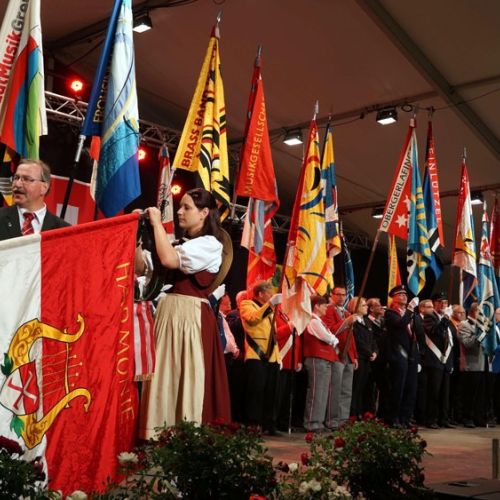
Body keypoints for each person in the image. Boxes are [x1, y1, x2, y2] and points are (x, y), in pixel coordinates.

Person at [139, 188, 231, 438]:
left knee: (188, 375)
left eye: (187, 207)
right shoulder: (177, 244)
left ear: (204, 213)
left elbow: (170, 260)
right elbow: (143, 267)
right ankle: (157, 434)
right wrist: (138, 233)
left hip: (190, 318)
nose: (180, 212)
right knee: (163, 375)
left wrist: (157, 224)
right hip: (168, 314)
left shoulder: (210, 245)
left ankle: (187, 435)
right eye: (180, 206)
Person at [240, 280, 282, 435]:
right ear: (260, 293)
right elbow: (253, 319)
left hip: (273, 356)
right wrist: (270, 304)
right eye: (269, 293)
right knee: (256, 392)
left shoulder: (270, 310)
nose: (271, 296)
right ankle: (253, 424)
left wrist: (278, 357)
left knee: (272, 393)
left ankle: (269, 424)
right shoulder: (247, 304)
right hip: (256, 354)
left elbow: (273, 335)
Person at [0, 159, 69, 240]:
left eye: (26, 179)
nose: (18, 184)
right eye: (16, 178)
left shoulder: (63, 230)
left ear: (44, 187)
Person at [323, 286, 359, 429]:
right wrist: (346, 322)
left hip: (348, 355)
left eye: (344, 295)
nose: (341, 297)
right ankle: (332, 420)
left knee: (346, 390)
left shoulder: (347, 312)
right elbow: (330, 330)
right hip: (337, 354)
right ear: (332, 295)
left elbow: (351, 338)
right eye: (338, 294)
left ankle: (343, 419)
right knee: (335, 389)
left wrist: (354, 356)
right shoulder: (328, 310)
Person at [302, 295, 339, 432]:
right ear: (316, 306)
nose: (326, 308)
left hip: (324, 359)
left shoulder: (319, 321)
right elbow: (328, 338)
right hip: (316, 359)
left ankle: (318, 422)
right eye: (324, 305)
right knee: (316, 392)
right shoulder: (313, 321)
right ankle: (311, 423)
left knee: (323, 392)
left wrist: (334, 339)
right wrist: (334, 340)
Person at [384, 285, 419, 427]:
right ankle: (393, 418)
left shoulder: (410, 314)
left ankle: (405, 418)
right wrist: (410, 310)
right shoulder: (390, 313)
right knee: (398, 387)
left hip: (411, 353)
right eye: (400, 294)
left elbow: (418, 332)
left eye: (405, 294)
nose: (404, 296)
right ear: (393, 298)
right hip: (398, 353)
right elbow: (400, 324)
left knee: (411, 388)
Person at [421, 293, 455, 429]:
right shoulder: (430, 317)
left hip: (446, 360)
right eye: (440, 302)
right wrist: (445, 319)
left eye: (445, 302)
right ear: (435, 303)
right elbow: (436, 332)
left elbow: (450, 340)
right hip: (434, 358)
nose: (443, 305)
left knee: (445, 392)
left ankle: (443, 419)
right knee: (434, 391)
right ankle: (431, 419)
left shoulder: (446, 318)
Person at [348, 297, 378, 418]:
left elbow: (373, 339)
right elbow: (357, 341)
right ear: (355, 307)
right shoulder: (353, 321)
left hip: (368, 359)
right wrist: (369, 353)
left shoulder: (367, 321)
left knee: (363, 386)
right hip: (359, 357)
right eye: (364, 305)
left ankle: (360, 411)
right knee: (356, 386)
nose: (366, 307)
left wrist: (375, 352)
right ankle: (353, 413)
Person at [458, 302, 487, 428]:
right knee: (469, 394)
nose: (482, 315)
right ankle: (467, 417)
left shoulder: (482, 325)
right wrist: (479, 335)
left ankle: (477, 417)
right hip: (470, 365)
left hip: (482, 364)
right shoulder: (464, 325)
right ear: (473, 312)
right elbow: (467, 344)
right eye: (480, 312)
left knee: (480, 395)